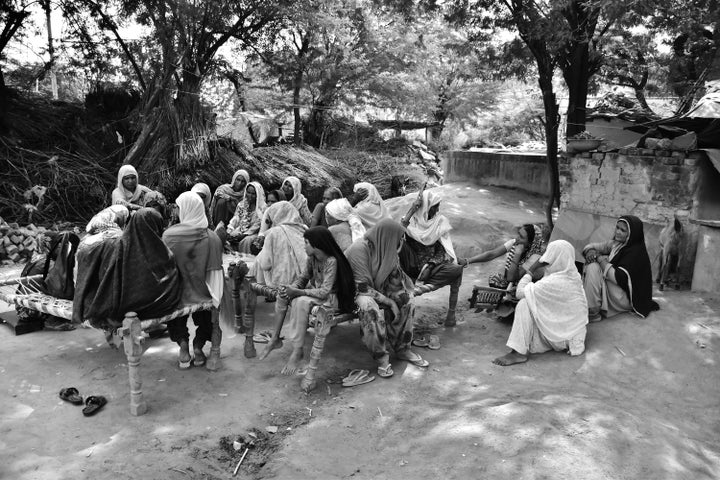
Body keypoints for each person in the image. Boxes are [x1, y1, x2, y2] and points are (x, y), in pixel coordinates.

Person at [259, 227, 356, 375]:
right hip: (318, 297)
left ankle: (298, 350)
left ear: (317, 244)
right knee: (282, 295)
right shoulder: (312, 259)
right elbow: (303, 278)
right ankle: (275, 338)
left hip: (332, 300)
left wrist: (298, 292)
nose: (304, 246)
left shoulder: (331, 261)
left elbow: (324, 292)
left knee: (300, 301)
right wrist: (290, 289)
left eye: (306, 243)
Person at [73, 208, 182, 332]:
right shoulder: (160, 252)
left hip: (119, 306)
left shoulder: (120, 246)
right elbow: (171, 280)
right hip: (155, 306)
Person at [345, 218, 428, 378]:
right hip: (352, 293)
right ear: (387, 236)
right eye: (398, 238)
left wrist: (400, 297)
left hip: (375, 288)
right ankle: (382, 358)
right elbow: (362, 287)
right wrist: (389, 301)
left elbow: (395, 280)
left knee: (406, 300)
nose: (400, 241)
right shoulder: (359, 249)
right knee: (370, 308)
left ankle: (403, 348)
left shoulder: (386, 249)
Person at [493, 240, 589, 366]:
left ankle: (519, 352)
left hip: (559, 339)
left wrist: (531, 270)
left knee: (524, 302)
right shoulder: (574, 276)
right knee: (534, 299)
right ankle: (522, 346)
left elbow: (520, 292)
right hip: (571, 338)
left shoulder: (554, 281)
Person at [163, 192, 225, 368]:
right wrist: (216, 298)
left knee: (175, 318)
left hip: (178, 293)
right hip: (204, 292)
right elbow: (215, 273)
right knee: (207, 319)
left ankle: (183, 347)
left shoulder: (169, 236)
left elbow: (164, 269)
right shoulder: (212, 237)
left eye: (178, 207)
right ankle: (198, 346)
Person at [399, 190, 463, 326]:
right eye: (434, 206)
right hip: (410, 265)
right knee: (399, 243)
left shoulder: (440, 222)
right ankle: (409, 280)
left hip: (431, 268)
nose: (437, 209)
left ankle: (422, 280)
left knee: (456, 269)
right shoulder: (410, 221)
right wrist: (412, 210)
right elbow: (397, 234)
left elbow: (443, 249)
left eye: (438, 206)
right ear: (426, 207)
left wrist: (431, 264)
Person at [255, 201, 309, 358]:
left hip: (282, 282)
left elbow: (266, 264)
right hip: (307, 279)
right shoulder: (304, 229)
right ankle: (277, 340)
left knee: (261, 264)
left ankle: (275, 339)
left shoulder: (273, 233)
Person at [582, 215, 659, 321]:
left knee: (594, 267)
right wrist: (590, 252)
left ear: (632, 234)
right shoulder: (616, 244)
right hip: (615, 289)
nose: (618, 232)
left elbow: (618, 277)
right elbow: (590, 246)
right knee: (593, 264)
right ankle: (592, 307)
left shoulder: (636, 253)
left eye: (623, 230)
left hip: (625, 296)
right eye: (617, 228)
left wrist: (599, 258)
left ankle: (592, 311)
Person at [461, 224, 547, 288]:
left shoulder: (536, 256)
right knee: (495, 279)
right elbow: (492, 254)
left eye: (521, 237)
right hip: (512, 283)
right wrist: (468, 260)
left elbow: (511, 278)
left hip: (526, 287)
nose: (517, 238)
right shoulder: (515, 242)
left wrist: (517, 254)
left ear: (530, 243)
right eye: (518, 234)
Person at [226, 181, 267, 253]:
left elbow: (257, 225)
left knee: (246, 241)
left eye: (253, 194)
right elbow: (236, 218)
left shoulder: (262, 208)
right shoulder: (242, 204)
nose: (250, 195)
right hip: (241, 229)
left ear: (258, 194)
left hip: (255, 233)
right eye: (248, 192)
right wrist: (230, 229)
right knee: (230, 237)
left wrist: (244, 235)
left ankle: (246, 259)